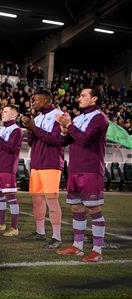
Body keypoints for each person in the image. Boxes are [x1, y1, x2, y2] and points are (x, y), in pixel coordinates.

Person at [56, 86, 109, 263]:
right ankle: (77, 246)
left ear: (94, 99)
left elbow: (85, 140)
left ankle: (97, 250)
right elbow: (64, 142)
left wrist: (69, 125)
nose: (79, 98)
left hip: (91, 170)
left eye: (83, 95)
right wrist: (64, 130)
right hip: (75, 169)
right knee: (76, 208)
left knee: (93, 209)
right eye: (79, 95)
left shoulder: (100, 118)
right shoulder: (78, 118)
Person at [21, 90, 64, 249]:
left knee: (51, 200)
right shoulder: (37, 118)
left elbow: (55, 139)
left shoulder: (59, 115)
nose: (34, 103)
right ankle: (40, 232)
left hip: (51, 163)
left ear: (46, 100)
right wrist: (29, 128)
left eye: (36, 100)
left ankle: (57, 236)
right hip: (37, 163)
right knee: (37, 200)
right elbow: (33, 142)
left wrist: (34, 128)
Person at [0, 105, 23, 237]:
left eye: (6, 111)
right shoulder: (2, 130)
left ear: (14, 115)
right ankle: (1, 223)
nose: (2, 113)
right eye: (2, 111)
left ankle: (14, 227)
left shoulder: (17, 130)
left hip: (7, 168)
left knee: (11, 197)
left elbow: (11, 148)